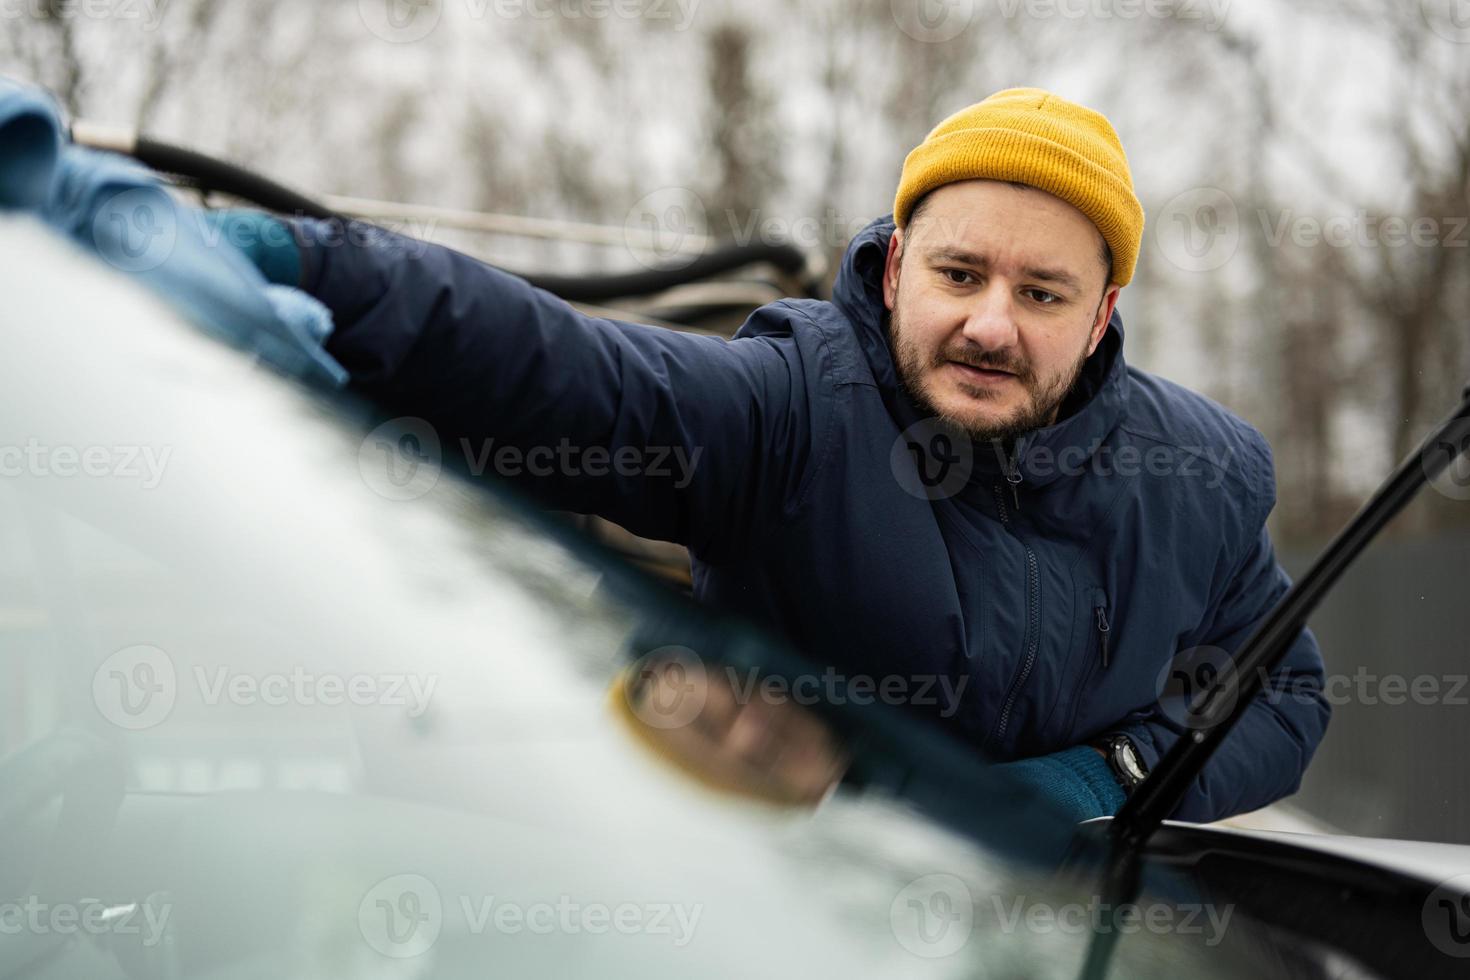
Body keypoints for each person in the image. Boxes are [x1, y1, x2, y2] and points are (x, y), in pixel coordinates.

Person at [227, 87, 1330, 823]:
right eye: (960, 274)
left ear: (1102, 315)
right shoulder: (795, 405)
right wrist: (303, 264)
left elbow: (1283, 690)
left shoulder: (1207, 474)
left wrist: (1112, 778)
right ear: (897, 267)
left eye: (1041, 293)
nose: (992, 323)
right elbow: (553, 368)